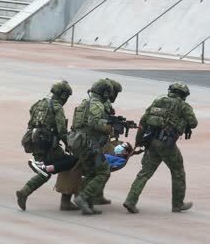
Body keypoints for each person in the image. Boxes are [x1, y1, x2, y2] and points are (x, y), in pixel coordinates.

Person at [123, 82, 198, 213]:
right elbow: (193, 123)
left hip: (152, 141)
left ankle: (130, 200)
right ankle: (177, 204)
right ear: (183, 94)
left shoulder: (158, 101)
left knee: (144, 173)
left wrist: (139, 141)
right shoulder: (184, 106)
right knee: (178, 171)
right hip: (166, 144)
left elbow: (144, 120)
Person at [16, 81, 75, 211]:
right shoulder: (57, 107)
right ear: (63, 95)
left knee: (44, 170)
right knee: (70, 161)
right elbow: (61, 130)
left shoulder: (39, 103)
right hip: (49, 144)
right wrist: (69, 144)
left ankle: (24, 192)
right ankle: (66, 200)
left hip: (35, 141)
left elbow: (31, 120)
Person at [69, 79, 114, 215]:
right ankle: (82, 197)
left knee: (90, 173)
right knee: (103, 171)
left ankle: (87, 204)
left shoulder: (85, 103)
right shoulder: (97, 105)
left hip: (80, 142)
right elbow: (94, 123)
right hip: (90, 143)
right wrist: (109, 128)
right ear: (104, 92)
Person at [94, 78, 123, 205]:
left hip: (95, 140)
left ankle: (97, 195)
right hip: (98, 142)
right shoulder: (103, 104)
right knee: (106, 168)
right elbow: (102, 125)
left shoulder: (97, 102)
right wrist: (112, 130)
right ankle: (92, 195)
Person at [29, 142, 132, 176]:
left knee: (73, 160)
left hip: (93, 163)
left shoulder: (121, 161)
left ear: (126, 152)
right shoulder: (114, 155)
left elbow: (109, 166)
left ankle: (47, 168)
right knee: (67, 157)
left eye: (122, 147)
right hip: (93, 158)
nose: (119, 147)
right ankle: (42, 164)